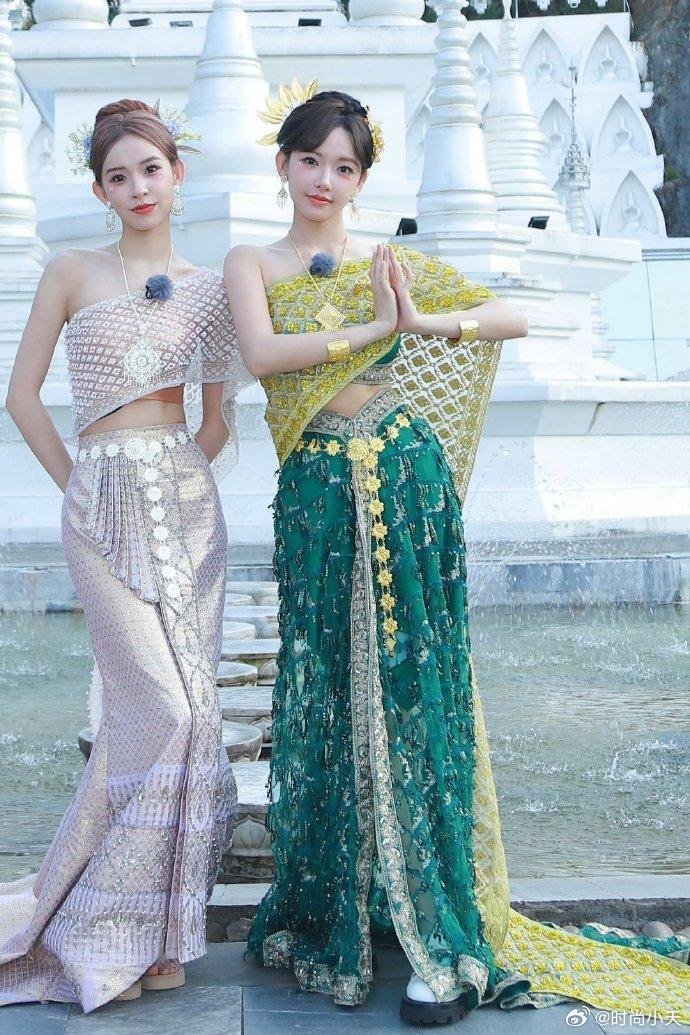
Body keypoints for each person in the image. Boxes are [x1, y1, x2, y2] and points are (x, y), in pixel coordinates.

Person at [225, 86, 690, 1026]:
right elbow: (265, 356)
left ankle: (437, 921)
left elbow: (509, 318)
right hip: (317, 493)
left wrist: (423, 321)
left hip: (406, 479)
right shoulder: (251, 262)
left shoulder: (386, 262)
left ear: (363, 179)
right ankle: (346, 904)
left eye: (344, 167)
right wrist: (375, 329)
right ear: (282, 164)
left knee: (415, 685)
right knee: (327, 684)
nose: (324, 181)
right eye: (310, 161)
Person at [0, 99, 253, 1013]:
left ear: (177, 174)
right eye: (119, 175)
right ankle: (103, 924)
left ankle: (160, 933)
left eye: (151, 168)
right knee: (161, 708)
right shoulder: (70, 273)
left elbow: (217, 420)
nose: (138, 187)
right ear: (101, 189)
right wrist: (82, 483)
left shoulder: (211, 291)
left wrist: (170, 473)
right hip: (99, 507)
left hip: (187, 514)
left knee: (188, 717)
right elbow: (22, 396)